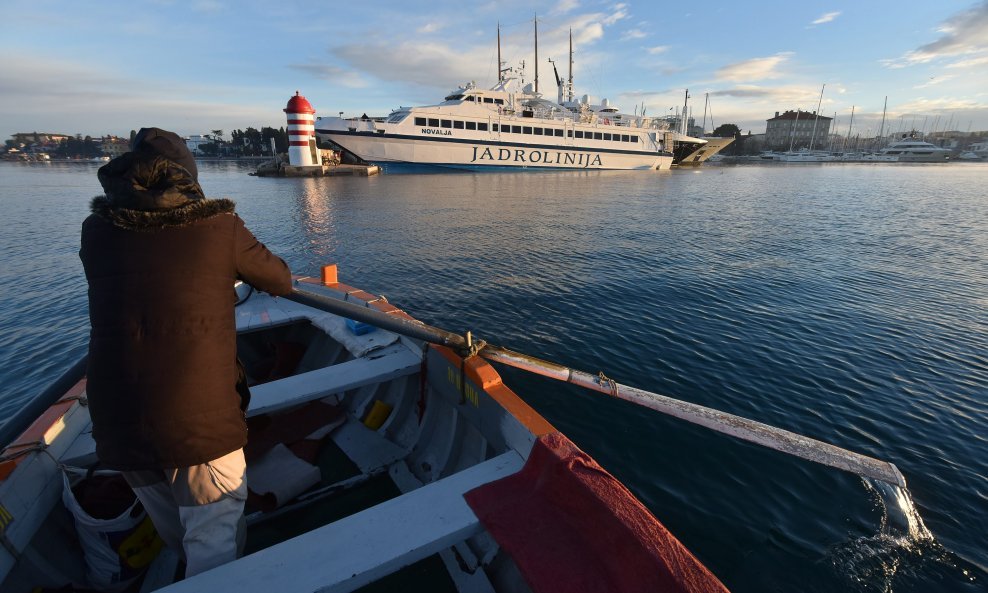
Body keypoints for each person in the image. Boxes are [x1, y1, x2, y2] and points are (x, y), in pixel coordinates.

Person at [79, 127, 292, 577]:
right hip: (198, 425)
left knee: (176, 530)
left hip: (117, 422)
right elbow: (280, 279)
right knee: (214, 544)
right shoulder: (219, 226)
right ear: (189, 178)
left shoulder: (95, 230)